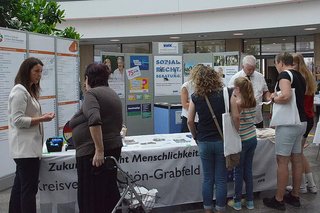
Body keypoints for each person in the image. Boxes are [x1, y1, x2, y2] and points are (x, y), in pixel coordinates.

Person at [69, 63, 123, 213]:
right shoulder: (111, 93)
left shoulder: (91, 94)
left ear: (87, 79)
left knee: (90, 198)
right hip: (111, 148)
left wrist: (99, 150)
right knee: (107, 194)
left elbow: (94, 119)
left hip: (92, 154)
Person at [8, 57, 55, 213]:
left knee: (19, 187)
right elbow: (17, 120)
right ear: (26, 71)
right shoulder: (19, 91)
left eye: (41, 71)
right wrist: (42, 118)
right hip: (25, 150)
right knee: (29, 190)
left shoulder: (28, 91)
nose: (39, 75)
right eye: (36, 71)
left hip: (29, 149)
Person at [187, 64, 237, 213]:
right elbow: (235, 116)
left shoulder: (196, 96)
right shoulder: (227, 93)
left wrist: (196, 136)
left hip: (204, 140)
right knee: (221, 178)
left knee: (208, 178)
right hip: (222, 140)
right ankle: (221, 208)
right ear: (215, 78)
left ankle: (207, 209)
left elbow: (190, 121)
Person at [263, 52, 307, 211]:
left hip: (288, 124)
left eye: (276, 63)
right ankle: (295, 196)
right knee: (297, 160)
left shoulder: (284, 75)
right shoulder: (300, 76)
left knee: (282, 161)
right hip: (301, 122)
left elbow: (287, 96)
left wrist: (273, 98)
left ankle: (279, 198)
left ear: (280, 62)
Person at [227, 77, 257, 210]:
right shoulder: (252, 100)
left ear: (238, 89)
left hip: (242, 140)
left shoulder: (238, 102)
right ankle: (250, 201)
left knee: (238, 171)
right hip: (252, 138)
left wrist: (236, 131)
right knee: (248, 171)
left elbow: (236, 117)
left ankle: (237, 201)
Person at [293, 53, 318, 194]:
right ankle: (311, 185)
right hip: (309, 118)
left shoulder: (298, 78)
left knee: (297, 155)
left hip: (301, 118)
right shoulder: (308, 76)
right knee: (300, 154)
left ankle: (302, 186)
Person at [228, 55, 270, 128]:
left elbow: (265, 91)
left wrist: (269, 98)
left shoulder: (260, 77)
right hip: (242, 119)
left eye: (253, 69)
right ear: (242, 66)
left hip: (257, 118)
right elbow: (231, 98)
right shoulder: (235, 78)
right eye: (248, 69)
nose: (251, 71)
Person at [180, 65, 200, 132]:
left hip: (200, 117)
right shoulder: (186, 86)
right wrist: (200, 106)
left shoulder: (204, 85)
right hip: (188, 117)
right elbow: (184, 104)